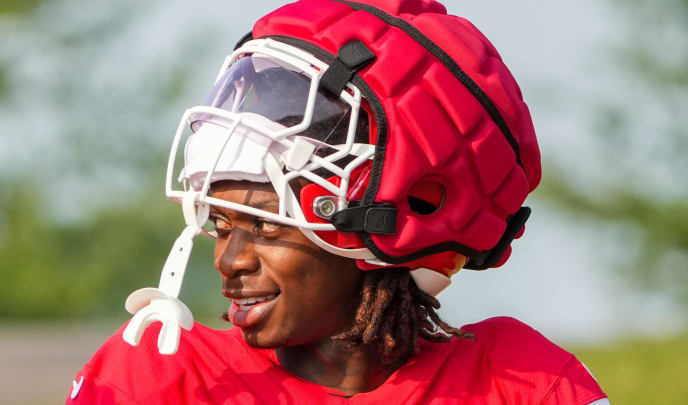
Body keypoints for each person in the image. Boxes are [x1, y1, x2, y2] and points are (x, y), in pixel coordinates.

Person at [67, 0, 610, 403]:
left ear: (381, 229)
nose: (229, 260)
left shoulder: (517, 380)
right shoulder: (166, 376)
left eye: (265, 226)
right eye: (222, 223)